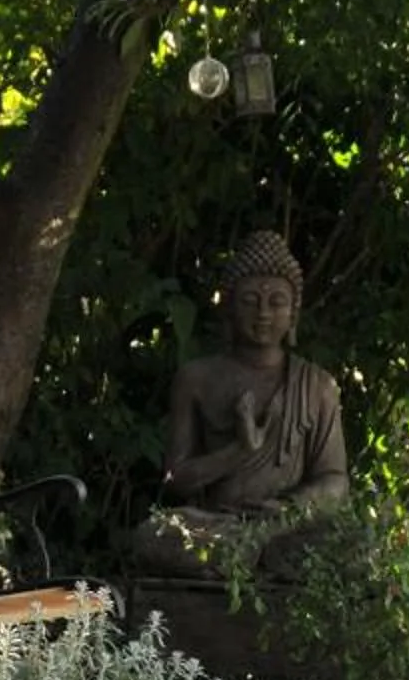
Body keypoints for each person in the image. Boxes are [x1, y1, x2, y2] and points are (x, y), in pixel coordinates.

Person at [134, 233, 347, 575]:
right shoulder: (196, 378)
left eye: (276, 302)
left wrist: (286, 511)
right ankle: (250, 557)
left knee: (354, 546)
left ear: (293, 314)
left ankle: (246, 557)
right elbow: (176, 478)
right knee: (154, 535)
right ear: (229, 308)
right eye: (250, 300)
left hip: (286, 526)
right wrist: (240, 451)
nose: (263, 313)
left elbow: (334, 481)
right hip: (218, 525)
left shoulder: (317, 384)